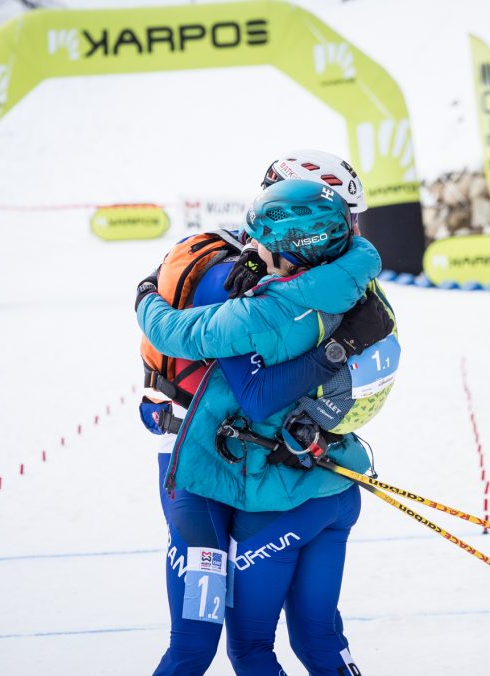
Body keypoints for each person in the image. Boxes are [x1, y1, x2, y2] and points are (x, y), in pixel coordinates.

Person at [138, 174, 395, 674]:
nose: (248, 247)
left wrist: (147, 291)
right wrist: (339, 350)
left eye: (259, 238)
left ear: (291, 247)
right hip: (331, 479)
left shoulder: (259, 308)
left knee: (218, 647)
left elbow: (175, 336)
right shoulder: (357, 277)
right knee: (319, 638)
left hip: (232, 488)